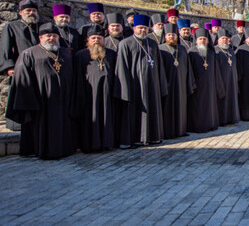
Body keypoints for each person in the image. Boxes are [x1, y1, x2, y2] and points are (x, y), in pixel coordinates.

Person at [6, 23, 76, 159]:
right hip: (41, 100)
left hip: (62, 99)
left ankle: (64, 149)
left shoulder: (65, 54)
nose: (52, 38)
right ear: (40, 37)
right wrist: (30, 100)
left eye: (54, 36)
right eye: (48, 36)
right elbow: (22, 79)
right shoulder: (29, 53)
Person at [115, 14, 167, 146]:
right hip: (135, 85)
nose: (143, 30)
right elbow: (122, 67)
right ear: (134, 28)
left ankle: (152, 137)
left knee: (152, 110)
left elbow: (160, 66)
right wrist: (124, 90)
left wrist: (161, 85)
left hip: (152, 84)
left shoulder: (153, 44)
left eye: (145, 28)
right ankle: (136, 139)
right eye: (140, 28)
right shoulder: (125, 44)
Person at [73, 24, 116, 152]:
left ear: (104, 40)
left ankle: (107, 143)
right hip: (89, 94)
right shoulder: (80, 55)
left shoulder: (111, 54)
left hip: (107, 94)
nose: (96, 40)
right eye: (93, 38)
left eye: (99, 38)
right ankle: (89, 145)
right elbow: (77, 76)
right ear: (88, 40)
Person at [159, 23, 195, 139]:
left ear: (177, 36)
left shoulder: (182, 49)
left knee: (181, 108)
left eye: (173, 35)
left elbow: (188, 68)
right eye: (169, 35)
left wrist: (189, 84)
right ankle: (167, 132)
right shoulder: (160, 49)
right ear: (165, 36)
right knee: (167, 109)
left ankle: (181, 130)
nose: (171, 37)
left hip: (181, 85)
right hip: (167, 85)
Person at [187, 28, 225, 133]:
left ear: (208, 40)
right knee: (198, 107)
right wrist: (192, 85)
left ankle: (210, 124)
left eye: (204, 39)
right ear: (196, 40)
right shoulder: (191, 52)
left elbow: (216, 71)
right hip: (197, 87)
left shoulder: (211, 53)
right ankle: (198, 127)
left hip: (210, 86)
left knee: (210, 106)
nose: (202, 41)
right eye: (200, 39)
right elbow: (189, 71)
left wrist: (218, 86)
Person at [0, 0, 40, 76]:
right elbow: (5, 48)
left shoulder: (42, 26)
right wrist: (9, 67)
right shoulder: (12, 26)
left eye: (34, 10)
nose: (31, 13)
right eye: (28, 10)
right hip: (21, 67)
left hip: (40, 67)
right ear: (20, 12)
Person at [214, 28, 240, 125]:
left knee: (232, 100)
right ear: (218, 39)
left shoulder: (230, 50)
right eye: (222, 38)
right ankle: (223, 120)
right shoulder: (216, 51)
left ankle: (232, 118)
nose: (224, 40)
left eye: (226, 38)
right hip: (221, 81)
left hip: (232, 80)